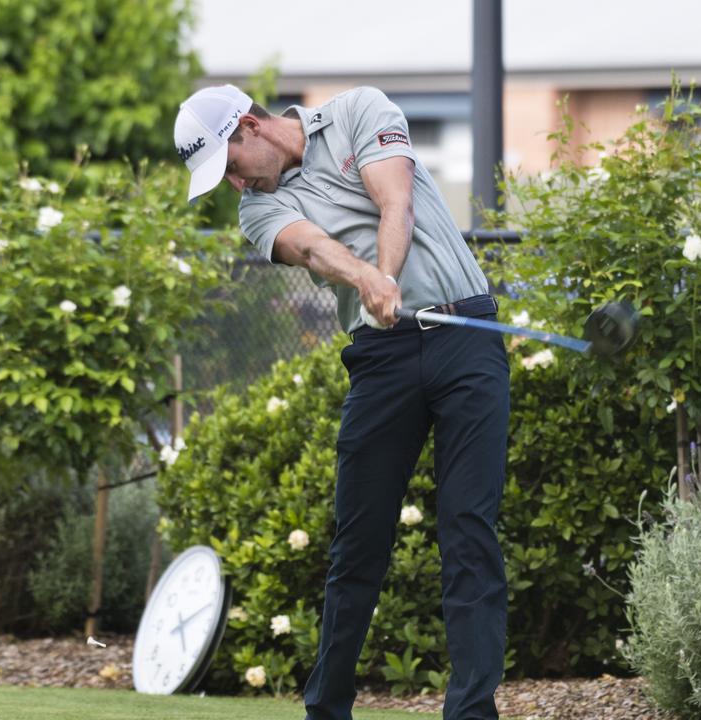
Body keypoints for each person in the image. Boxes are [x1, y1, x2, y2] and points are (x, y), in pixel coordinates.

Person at [173, 84, 510, 720]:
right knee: (358, 543)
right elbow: (311, 247)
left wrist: (384, 270)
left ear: (251, 126)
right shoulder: (257, 212)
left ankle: (471, 712)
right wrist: (367, 281)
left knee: (469, 531)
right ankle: (326, 710)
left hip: (469, 335)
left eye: (231, 166)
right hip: (382, 359)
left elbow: (397, 202)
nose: (234, 185)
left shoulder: (360, 110)